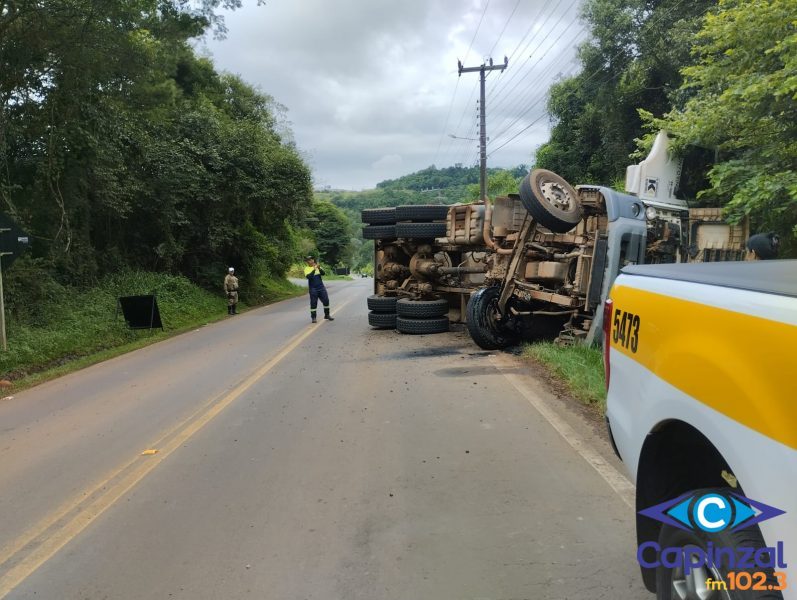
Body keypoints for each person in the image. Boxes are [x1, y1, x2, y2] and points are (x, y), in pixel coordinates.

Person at [303, 256, 334, 323]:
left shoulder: (318, 267)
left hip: (321, 287)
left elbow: (323, 273)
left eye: (311, 259)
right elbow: (309, 277)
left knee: (326, 301)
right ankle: (313, 317)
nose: (310, 261)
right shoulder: (306, 269)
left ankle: (327, 315)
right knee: (313, 303)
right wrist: (314, 269)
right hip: (313, 288)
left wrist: (319, 268)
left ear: (313, 260)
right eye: (308, 260)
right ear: (307, 262)